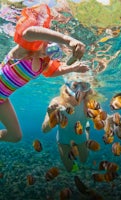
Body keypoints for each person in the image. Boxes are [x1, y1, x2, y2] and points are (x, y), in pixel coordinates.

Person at [0, 4, 89, 143]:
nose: (46, 50)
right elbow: (29, 32)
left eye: (51, 52)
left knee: (15, 136)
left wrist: (73, 68)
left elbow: (53, 72)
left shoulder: (42, 63)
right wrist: (68, 40)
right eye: (47, 44)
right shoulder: (23, 51)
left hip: (2, 99)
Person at [41, 81, 95, 172]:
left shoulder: (89, 103)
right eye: (75, 86)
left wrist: (110, 119)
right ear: (68, 87)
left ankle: (86, 128)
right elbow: (44, 130)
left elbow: (102, 117)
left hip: (81, 135)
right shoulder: (57, 102)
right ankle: (86, 127)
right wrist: (51, 117)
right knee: (69, 168)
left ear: (87, 90)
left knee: (84, 160)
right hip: (63, 138)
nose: (79, 90)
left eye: (83, 86)